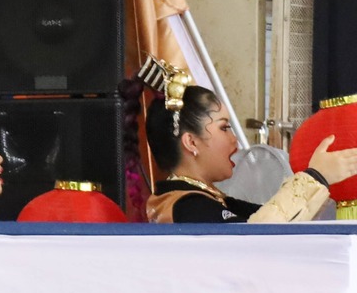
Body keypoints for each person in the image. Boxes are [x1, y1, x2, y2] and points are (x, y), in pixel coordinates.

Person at [146, 86, 357, 222]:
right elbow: (256, 239)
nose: (235, 140)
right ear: (191, 142)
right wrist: (316, 177)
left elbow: (279, 221)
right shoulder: (187, 207)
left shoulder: (210, 201)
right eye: (224, 128)